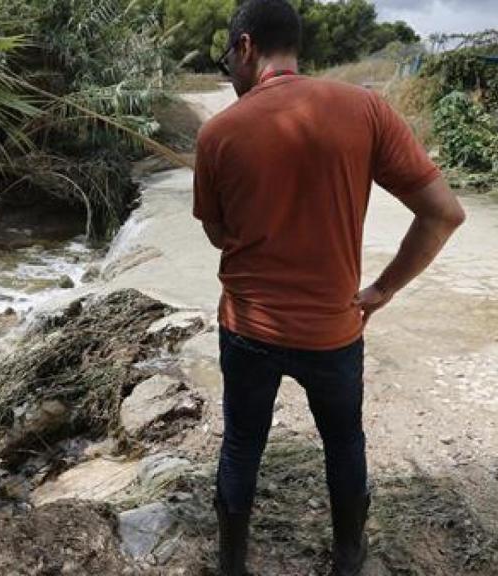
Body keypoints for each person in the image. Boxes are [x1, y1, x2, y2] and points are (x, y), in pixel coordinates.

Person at [192, 1, 466, 575]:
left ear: (245, 47)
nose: (230, 74)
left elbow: (220, 237)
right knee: (344, 443)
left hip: (247, 330)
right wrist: (382, 291)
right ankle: (347, 560)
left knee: (243, 444)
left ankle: (232, 567)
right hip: (334, 330)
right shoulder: (364, 109)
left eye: (228, 61)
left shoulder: (219, 132)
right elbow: (443, 214)